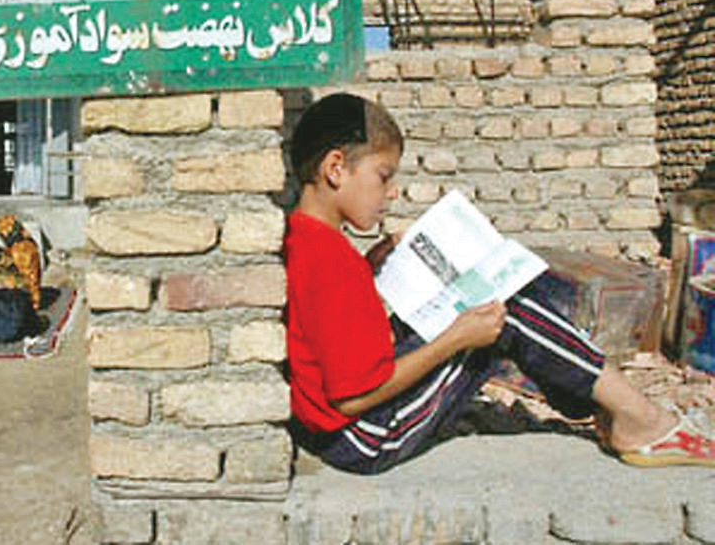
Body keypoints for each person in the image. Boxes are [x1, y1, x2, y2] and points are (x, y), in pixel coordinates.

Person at [285, 92, 715, 473]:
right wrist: (455, 340)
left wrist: (369, 267)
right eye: (383, 176)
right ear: (336, 168)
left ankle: (607, 406)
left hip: (346, 428)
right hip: (367, 436)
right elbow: (352, 398)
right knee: (508, 311)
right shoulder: (329, 261)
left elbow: (334, 333)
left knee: (502, 296)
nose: (392, 192)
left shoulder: (309, 239)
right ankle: (636, 417)